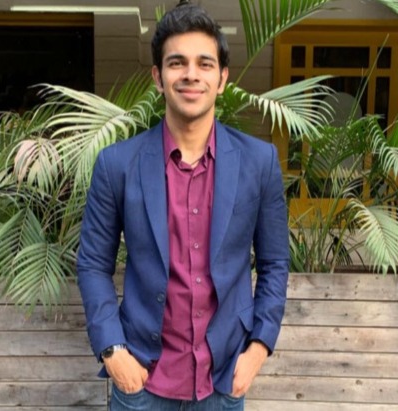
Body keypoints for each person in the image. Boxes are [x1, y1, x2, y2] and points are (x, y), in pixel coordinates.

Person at [77, 2, 289, 410]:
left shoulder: (259, 162)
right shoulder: (117, 165)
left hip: (223, 379)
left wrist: (258, 348)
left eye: (204, 64)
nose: (191, 74)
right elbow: (92, 265)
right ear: (158, 77)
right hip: (141, 379)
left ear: (222, 79)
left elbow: (275, 263)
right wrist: (112, 351)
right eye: (177, 63)